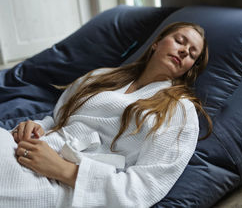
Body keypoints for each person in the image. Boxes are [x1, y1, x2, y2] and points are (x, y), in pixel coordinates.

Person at [0, 22, 212, 208]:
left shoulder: (179, 111)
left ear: (189, 68)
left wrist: (64, 170)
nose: (184, 51)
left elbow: (144, 188)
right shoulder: (100, 76)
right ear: (156, 43)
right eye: (180, 41)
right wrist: (35, 127)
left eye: (192, 54)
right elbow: (57, 118)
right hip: (33, 148)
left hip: (67, 187)